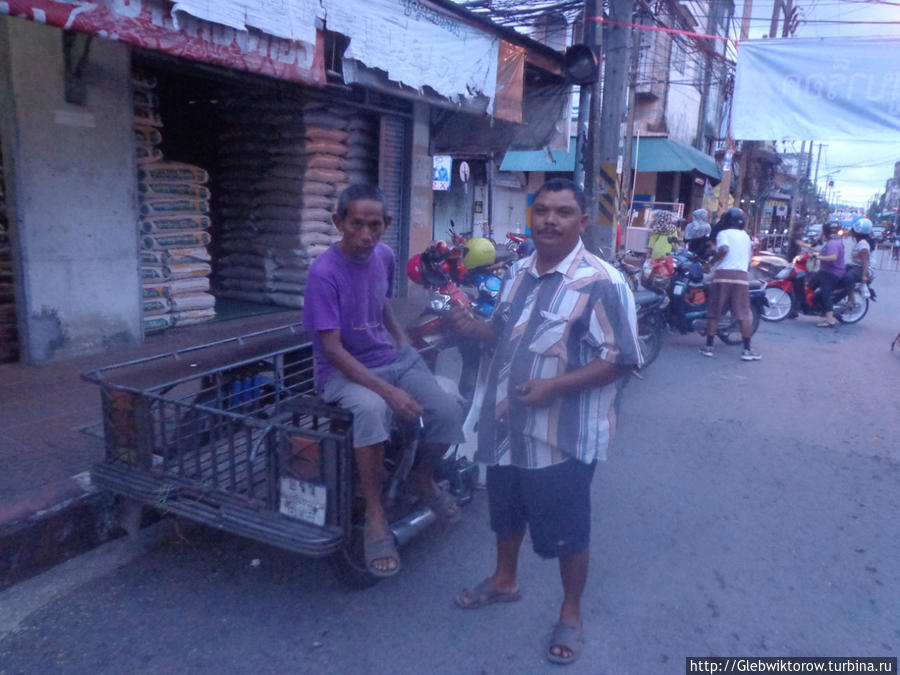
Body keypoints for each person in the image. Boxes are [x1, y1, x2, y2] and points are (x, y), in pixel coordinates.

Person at [449, 178, 642, 666]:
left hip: (563, 436)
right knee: (506, 511)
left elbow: (623, 359)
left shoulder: (602, 282)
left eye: (562, 212)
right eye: (542, 211)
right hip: (505, 425)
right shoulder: (517, 273)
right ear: (531, 218)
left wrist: (554, 387)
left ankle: (571, 613)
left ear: (581, 221)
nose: (549, 221)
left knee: (567, 530)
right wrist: (474, 328)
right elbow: (504, 334)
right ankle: (504, 579)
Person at [302, 184, 465, 578]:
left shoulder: (385, 256)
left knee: (447, 410)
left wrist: (401, 339)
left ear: (386, 226)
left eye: (374, 226)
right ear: (339, 222)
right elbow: (332, 349)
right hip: (341, 372)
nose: (365, 235)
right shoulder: (323, 274)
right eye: (356, 224)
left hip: (392, 358)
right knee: (374, 410)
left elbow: (381, 302)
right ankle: (375, 513)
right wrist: (388, 390)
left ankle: (422, 476)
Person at [699, 207, 761, 361]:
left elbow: (724, 249)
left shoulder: (723, 234)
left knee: (714, 311)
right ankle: (747, 350)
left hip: (722, 276)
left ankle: (708, 347)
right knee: (743, 315)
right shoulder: (746, 236)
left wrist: (710, 263)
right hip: (741, 277)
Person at [808, 221, 846, 327]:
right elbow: (825, 252)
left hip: (832, 273)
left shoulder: (833, 243)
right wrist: (815, 252)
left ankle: (830, 320)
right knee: (810, 285)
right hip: (825, 271)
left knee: (825, 293)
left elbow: (833, 257)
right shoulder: (833, 241)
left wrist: (818, 257)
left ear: (827, 232)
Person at [845, 218, 873, 307]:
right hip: (857, 266)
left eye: (853, 231)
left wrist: (864, 276)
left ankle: (851, 299)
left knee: (848, 277)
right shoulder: (861, 242)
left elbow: (865, 261)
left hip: (864, 269)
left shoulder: (863, 244)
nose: (851, 233)